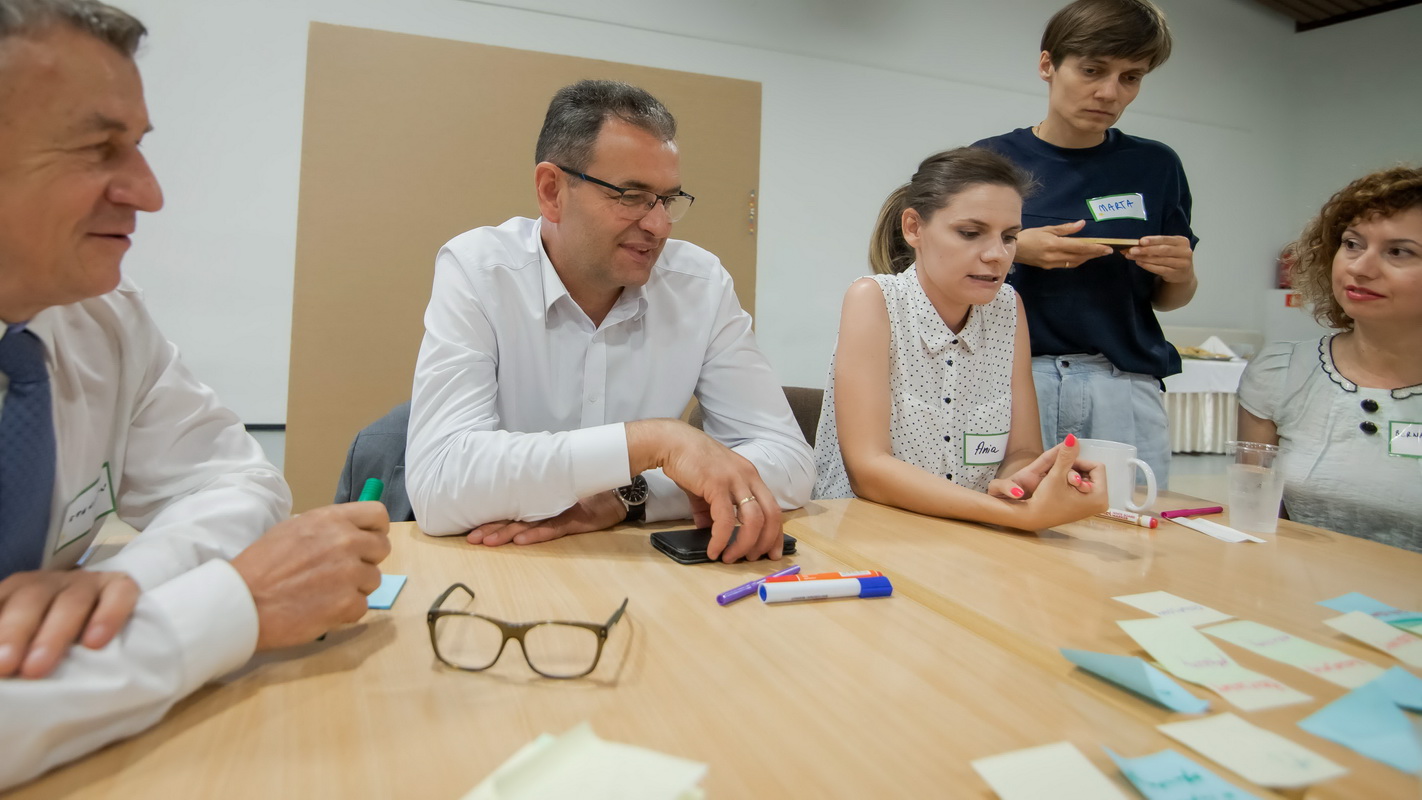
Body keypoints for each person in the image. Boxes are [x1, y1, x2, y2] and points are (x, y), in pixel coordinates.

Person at [0, 1, 390, 787]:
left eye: (138, 147)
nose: (149, 194)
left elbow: (239, 482)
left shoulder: (100, 318)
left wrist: (118, 589)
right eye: (98, 148)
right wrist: (236, 606)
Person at [406, 80, 813, 563]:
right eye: (631, 195)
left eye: (668, 199)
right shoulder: (479, 272)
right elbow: (438, 484)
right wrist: (654, 441)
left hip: (637, 571)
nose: (658, 225)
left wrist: (628, 496)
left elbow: (791, 464)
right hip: (503, 565)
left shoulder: (699, 285)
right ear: (552, 191)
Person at [812, 147, 1107, 530]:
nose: (997, 254)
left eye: (1010, 237)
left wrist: (1020, 483)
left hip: (974, 532)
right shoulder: (875, 299)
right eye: (970, 233)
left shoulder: (1008, 307)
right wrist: (1013, 515)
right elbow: (869, 470)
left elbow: (1021, 450)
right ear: (914, 228)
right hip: (868, 533)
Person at [973, 0, 1197, 485]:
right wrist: (1014, 248)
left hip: (1121, 384)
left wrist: (1181, 272)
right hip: (1011, 379)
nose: (1109, 92)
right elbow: (939, 276)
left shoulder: (1156, 166)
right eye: (1092, 70)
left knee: (1129, 524)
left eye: (1131, 77)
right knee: (1004, 519)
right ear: (1048, 64)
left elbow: (1169, 297)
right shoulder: (990, 160)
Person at [1237, 166, 1422, 551]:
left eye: (1398, 252)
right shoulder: (1281, 374)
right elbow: (1257, 528)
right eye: (1352, 244)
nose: (1360, 267)